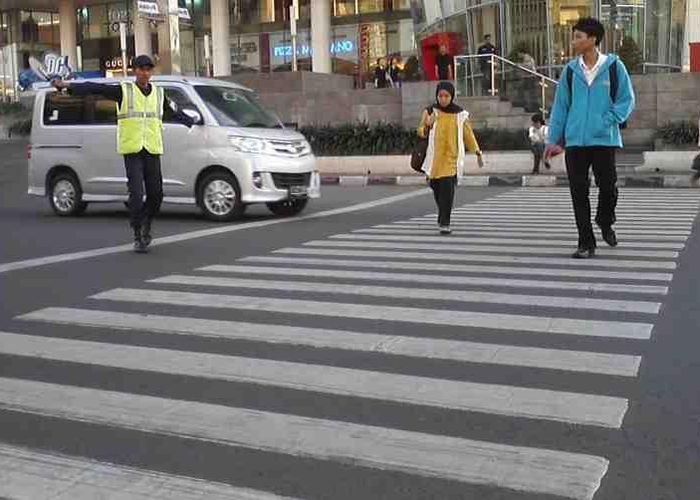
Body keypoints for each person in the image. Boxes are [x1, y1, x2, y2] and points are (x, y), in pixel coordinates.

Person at [52, 55, 197, 253]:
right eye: (141, 69)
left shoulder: (159, 94)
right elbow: (95, 88)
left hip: (152, 150)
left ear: (151, 72)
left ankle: (146, 220)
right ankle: (138, 233)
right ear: (134, 71)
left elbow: (173, 111)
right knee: (136, 195)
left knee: (156, 195)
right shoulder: (124, 90)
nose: (145, 73)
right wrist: (66, 86)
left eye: (148, 69)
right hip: (132, 150)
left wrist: (191, 122)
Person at [545, 18, 635, 259]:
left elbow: (627, 100)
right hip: (575, 142)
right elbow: (560, 107)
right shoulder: (570, 72)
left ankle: (605, 221)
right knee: (578, 191)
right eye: (574, 36)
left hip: (604, 139)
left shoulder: (615, 67)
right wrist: (553, 140)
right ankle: (586, 241)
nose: (574, 41)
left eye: (578, 36)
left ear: (593, 39)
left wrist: (606, 120)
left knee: (608, 188)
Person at [417, 81, 484, 235]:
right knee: (436, 188)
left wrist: (477, 152)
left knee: (447, 190)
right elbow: (420, 131)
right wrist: (427, 125)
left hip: (451, 160)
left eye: (446, 96)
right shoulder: (430, 111)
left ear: (452, 96)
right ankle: (442, 214)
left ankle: (445, 222)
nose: (443, 99)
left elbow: (468, 135)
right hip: (434, 160)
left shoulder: (460, 114)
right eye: (440, 96)